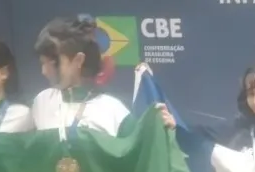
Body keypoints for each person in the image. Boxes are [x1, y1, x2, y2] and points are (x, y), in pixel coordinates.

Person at [31, 16, 173, 136]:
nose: (44, 71)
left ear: (78, 60)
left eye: (53, 63)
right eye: (42, 63)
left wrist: (161, 133)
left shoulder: (114, 112)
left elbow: (141, 151)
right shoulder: (41, 103)